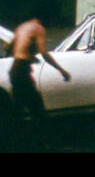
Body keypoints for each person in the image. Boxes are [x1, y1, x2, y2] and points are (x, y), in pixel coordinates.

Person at [7, 13, 71, 143]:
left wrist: (27, 55)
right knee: (37, 109)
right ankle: (44, 142)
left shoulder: (22, 27)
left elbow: (7, 47)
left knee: (17, 109)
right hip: (22, 71)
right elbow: (44, 52)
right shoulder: (38, 28)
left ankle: (10, 142)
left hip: (15, 69)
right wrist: (61, 70)